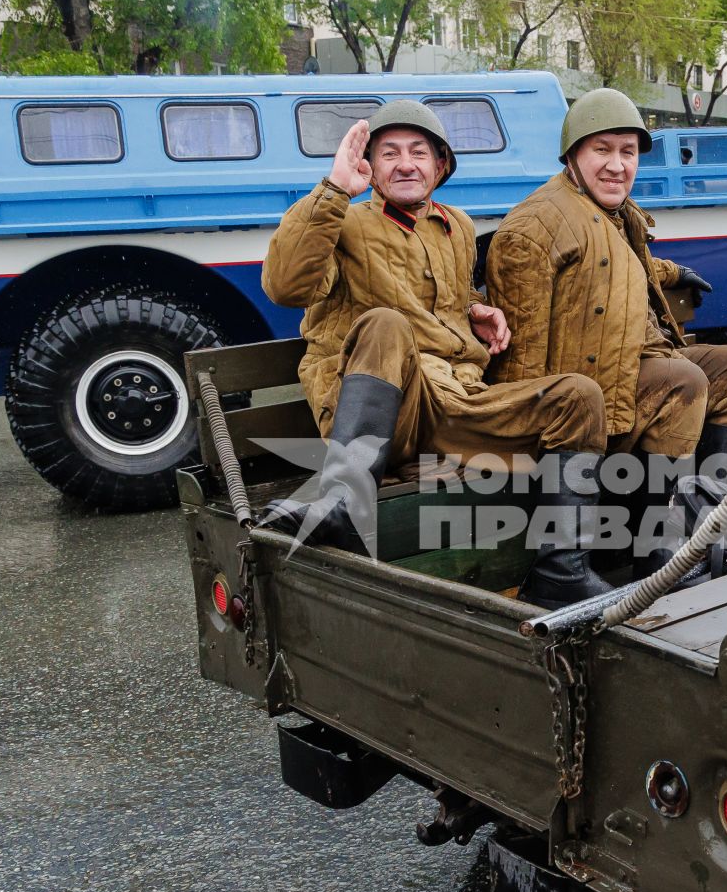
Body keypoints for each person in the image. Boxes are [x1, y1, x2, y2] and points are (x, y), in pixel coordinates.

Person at [258, 99, 616, 610]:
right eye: (389, 154)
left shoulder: (458, 226)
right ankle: (342, 500)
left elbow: (439, 296)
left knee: (578, 396)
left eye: (419, 152)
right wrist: (334, 188)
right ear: (371, 169)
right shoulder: (345, 224)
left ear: (440, 165)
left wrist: (477, 308)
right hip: (389, 411)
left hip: (458, 404)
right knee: (386, 323)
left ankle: (562, 570)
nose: (406, 163)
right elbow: (285, 285)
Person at [485, 88, 727, 570]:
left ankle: (710, 525)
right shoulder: (532, 229)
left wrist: (672, 272)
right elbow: (522, 366)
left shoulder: (615, 214)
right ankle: (658, 550)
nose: (617, 165)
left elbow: (617, 265)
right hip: (583, 395)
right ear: (573, 155)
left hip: (631, 364)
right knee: (682, 382)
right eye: (602, 149)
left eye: (628, 152)